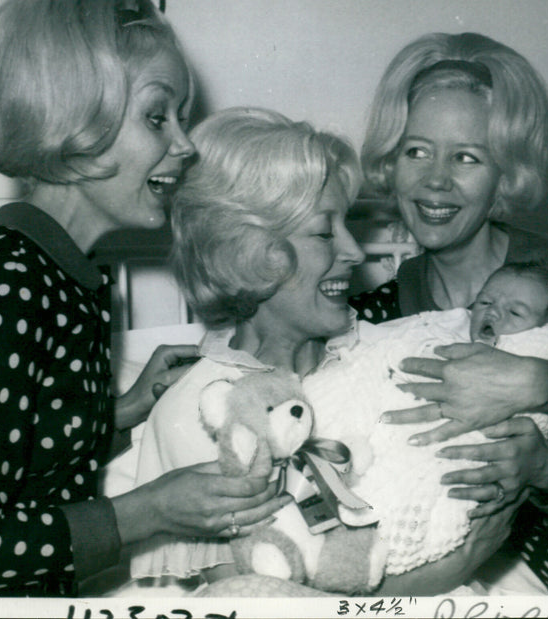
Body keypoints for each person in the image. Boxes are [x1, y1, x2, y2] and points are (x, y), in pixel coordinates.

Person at [0, 0, 286, 598]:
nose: (185, 145)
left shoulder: (60, 273)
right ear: (75, 121)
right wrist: (148, 511)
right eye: (157, 117)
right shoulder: (1, 288)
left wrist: (122, 412)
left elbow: (22, 457)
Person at [130, 107, 523, 597]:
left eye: (348, 225)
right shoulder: (196, 414)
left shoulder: (385, 353)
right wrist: (440, 577)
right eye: (324, 232)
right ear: (248, 251)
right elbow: (255, 600)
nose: (355, 251)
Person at [350, 32, 548, 594]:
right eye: (416, 151)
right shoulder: (377, 319)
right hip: (449, 574)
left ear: (506, 171)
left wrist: (546, 465)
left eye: (467, 157)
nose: (435, 180)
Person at [302, 261, 548, 577]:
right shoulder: (439, 337)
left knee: (411, 495)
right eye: (485, 302)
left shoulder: (533, 359)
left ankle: (369, 544)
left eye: (515, 313)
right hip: (394, 442)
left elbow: (530, 418)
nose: (494, 313)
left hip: (452, 463)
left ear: (544, 331)